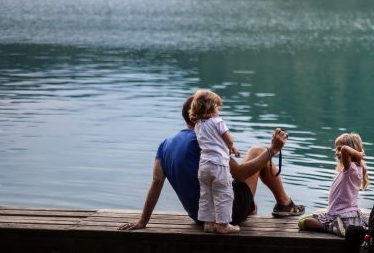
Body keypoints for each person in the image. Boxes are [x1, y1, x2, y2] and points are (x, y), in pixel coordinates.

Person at [118, 95, 304, 232]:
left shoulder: (164, 145)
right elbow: (239, 174)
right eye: (213, 112)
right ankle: (285, 206)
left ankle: (257, 207)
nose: (217, 116)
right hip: (226, 215)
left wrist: (143, 220)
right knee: (257, 151)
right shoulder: (204, 141)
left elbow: (156, 182)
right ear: (198, 117)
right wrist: (273, 150)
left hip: (200, 217)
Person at [189, 89, 242, 234]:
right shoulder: (218, 122)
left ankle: (208, 223)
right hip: (219, 165)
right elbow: (228, 139)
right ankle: (223, 225)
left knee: (206, 195)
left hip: (204, 166)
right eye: (217, 107)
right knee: (224, 194)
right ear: (211, 107)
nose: (219, 110)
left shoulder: (198, 125)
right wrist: (232, 148)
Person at [298, 132, 369, 237]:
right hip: (344, 213)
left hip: (340, 215)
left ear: (351, 151)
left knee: (302, 222)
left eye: (339, 149)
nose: (337, 152)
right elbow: (345, 149)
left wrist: (358, 154)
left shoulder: (351, 168)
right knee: (310, 215)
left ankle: (330, 227)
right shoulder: (353, 168)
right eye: (336, 149)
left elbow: (345, 149)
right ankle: (334, 223)